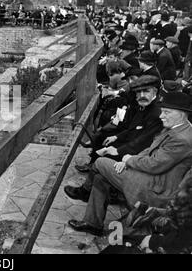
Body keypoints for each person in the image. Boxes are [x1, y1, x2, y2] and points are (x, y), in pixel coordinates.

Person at [66, 92, 192, 236]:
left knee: (100, 162)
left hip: (155, 188)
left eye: (167, 112)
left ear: (182, 114)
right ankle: (92, 223)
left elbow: (154, 165)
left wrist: (128, 160)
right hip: (150, 177)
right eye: (162, 111)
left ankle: (84, 192)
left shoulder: (182, 139)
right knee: (101, 178)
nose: (161, 116)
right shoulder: (179, 128)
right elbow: (150, 149)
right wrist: (130, 160)